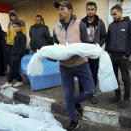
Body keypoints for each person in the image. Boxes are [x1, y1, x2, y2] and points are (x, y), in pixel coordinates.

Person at [52, 1, 95, 130]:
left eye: (62, 9)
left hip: (81, 63)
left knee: (90, 91)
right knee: (67, 95)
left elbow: (86, 44)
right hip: (64, 66)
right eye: (58, 10)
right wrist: (52, 57)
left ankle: (74, 102)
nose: (59, 12)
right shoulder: (55, 28)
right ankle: (74, 121)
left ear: (70, 11)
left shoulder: (79, 24)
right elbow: (55, 49)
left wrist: (78, 52)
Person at [105, 5, 131, 108]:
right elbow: (107, 39)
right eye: (112, 14)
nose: (113, 16)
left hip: (123, 57)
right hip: (112, 56)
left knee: (125, 78)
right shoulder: (111, 26)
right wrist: (108, 51)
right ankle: (117, 95)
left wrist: (127, 54)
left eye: (115, 14)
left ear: (121, 12)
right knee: (114, 77)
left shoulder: (129, 24)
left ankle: (126, 99)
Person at [80, 1, 106, 104]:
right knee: (82, 73)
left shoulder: (100, 22)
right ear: (86, 10)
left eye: (92, 9)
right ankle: (82, 93)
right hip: (84, 52)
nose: (90, 11)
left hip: (94, 52)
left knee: (93, 74)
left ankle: (92, 94)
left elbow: (104, 36)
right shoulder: (81, 22)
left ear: (95, 10)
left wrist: (98, 45)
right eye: (88, 9)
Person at [1, 21, 26, 88]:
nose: (14, 28)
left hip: (18, 55)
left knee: (13, 68)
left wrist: (17, 56)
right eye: (13, 27)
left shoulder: (22, 36)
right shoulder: (16, 36)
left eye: (16, 27)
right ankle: (19, 80)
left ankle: (9, 82)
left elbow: (22, 48)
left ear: (20, 27)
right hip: (14, 55)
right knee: (13, 68)